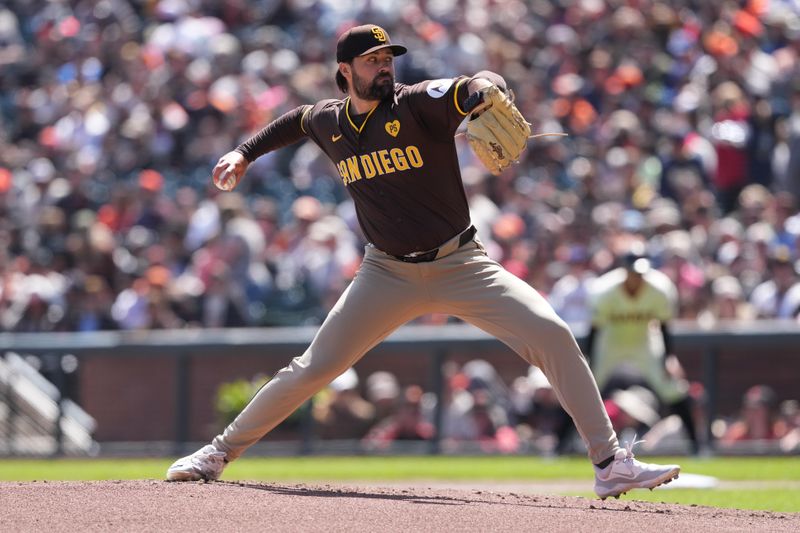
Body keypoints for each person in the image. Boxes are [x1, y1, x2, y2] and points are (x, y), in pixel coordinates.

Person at [165, 23, 679, 499]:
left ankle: (609, 463)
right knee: (312, 368)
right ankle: (219, 452)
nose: (384, 66)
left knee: (553, 334)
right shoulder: (329, 120)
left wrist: (487, 91)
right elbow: (292, 122)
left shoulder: (416, 104)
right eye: (372, 60)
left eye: (388, 57)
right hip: (385, 272)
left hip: (462, 264)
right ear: (345, 71)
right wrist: (244, 152)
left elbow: (473, 83)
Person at [586, 242, 701, 454]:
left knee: (672, 387)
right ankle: (559, 445)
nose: (637, 277)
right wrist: (590, 361)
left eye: (640, 272)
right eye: (632, 272)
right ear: (623, 270)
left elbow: (665, 327)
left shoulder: (659, 288)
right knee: (584, 389)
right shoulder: (605, 290)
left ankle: (697, 446)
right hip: (611, 341)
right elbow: (594, 330)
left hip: (645, 341)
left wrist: (668, 358)